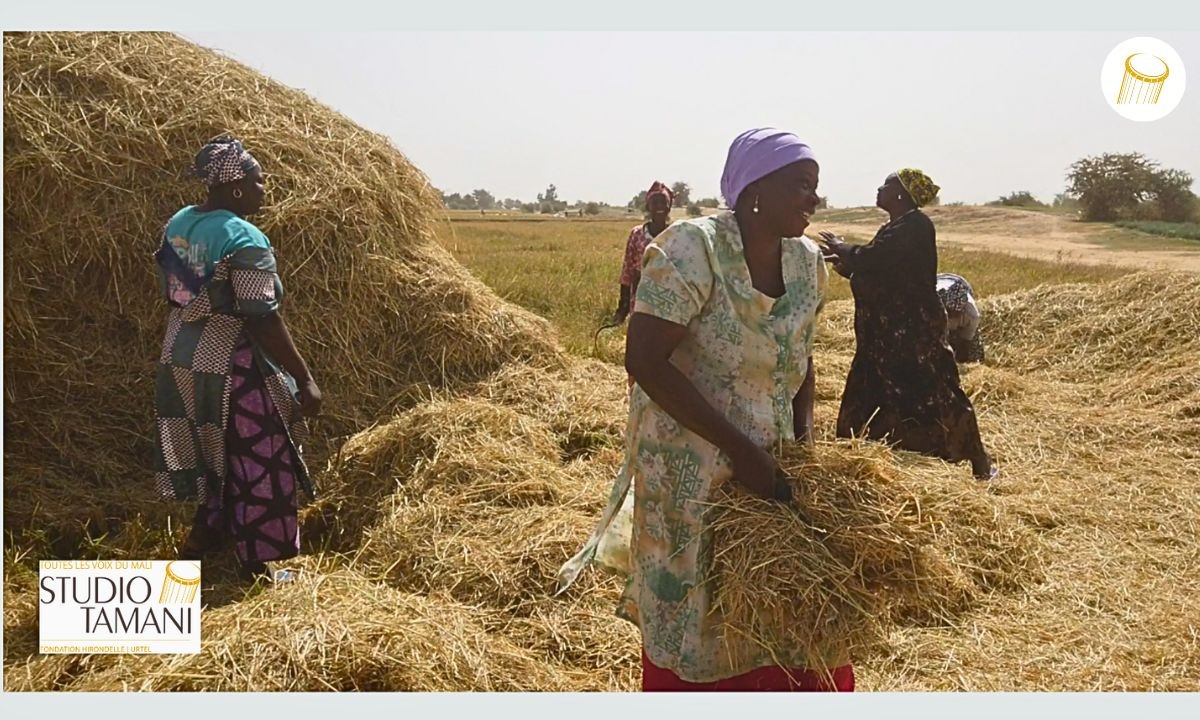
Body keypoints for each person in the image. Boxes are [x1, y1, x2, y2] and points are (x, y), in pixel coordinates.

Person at [559, 128, 850, 692]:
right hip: (690, 468)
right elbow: (644, 359)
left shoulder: (808, 261)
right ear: (754, 191)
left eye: (815, 187)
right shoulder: (693, 249)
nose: (813, 200)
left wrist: (803, 444)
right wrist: (739, 451)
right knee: (701, 606)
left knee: (789, 609)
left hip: (771, 460)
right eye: (801, 186)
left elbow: (802, 355)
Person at [153, 135, 322, 582]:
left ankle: (202, 540)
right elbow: (261, 316)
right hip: (228, 360)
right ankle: (260, 562)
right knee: (262, 451)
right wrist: (304, 378)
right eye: (258, 180)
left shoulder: (180, 222)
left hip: (181, 357)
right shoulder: (242, 237)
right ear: (236, 189)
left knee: (215, 452)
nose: (265, 188)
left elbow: (177, 292)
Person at [818, 169, 997, 481]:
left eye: (887, 184)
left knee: (938, 394)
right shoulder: (895, 228)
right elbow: (880, 273)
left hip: (914, 336)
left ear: (902, 193)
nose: (879, 188)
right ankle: (854, 461)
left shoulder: (915, 226)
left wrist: (844, 248)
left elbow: (873, 258)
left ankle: (979, 461)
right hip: (886, 338)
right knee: (870, 392)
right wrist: (846, 264)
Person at [610, 181, 674, 325]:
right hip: (640, 302)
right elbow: (627, 272)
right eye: (654, 203)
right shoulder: (637, 234)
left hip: (669, 303)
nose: (659, 207)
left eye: (663, 202)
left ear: (669, 206)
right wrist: (622, 308)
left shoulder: (676, 234)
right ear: (648, 207)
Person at [937, 272, 985, 363]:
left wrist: (962, 359)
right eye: (950, 311)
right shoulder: (933, 308)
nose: (952, 315)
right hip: (939, 281)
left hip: (961, 283)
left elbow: (966, 340)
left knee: (974, 350)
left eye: (955, 312)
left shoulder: (972, 315)